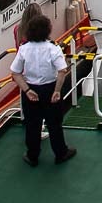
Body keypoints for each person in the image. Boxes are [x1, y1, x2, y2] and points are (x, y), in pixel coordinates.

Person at [10, 14, 76, 166]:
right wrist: (57, 91)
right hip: (50, 88)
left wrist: (27, 90)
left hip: (31, 90)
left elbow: (15, 72)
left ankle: (33, 156)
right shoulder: (53, 48)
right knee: (54, 124)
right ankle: (61, 153)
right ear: (47, 30)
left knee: (32, 125)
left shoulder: (24, 49)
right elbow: (62, 70)